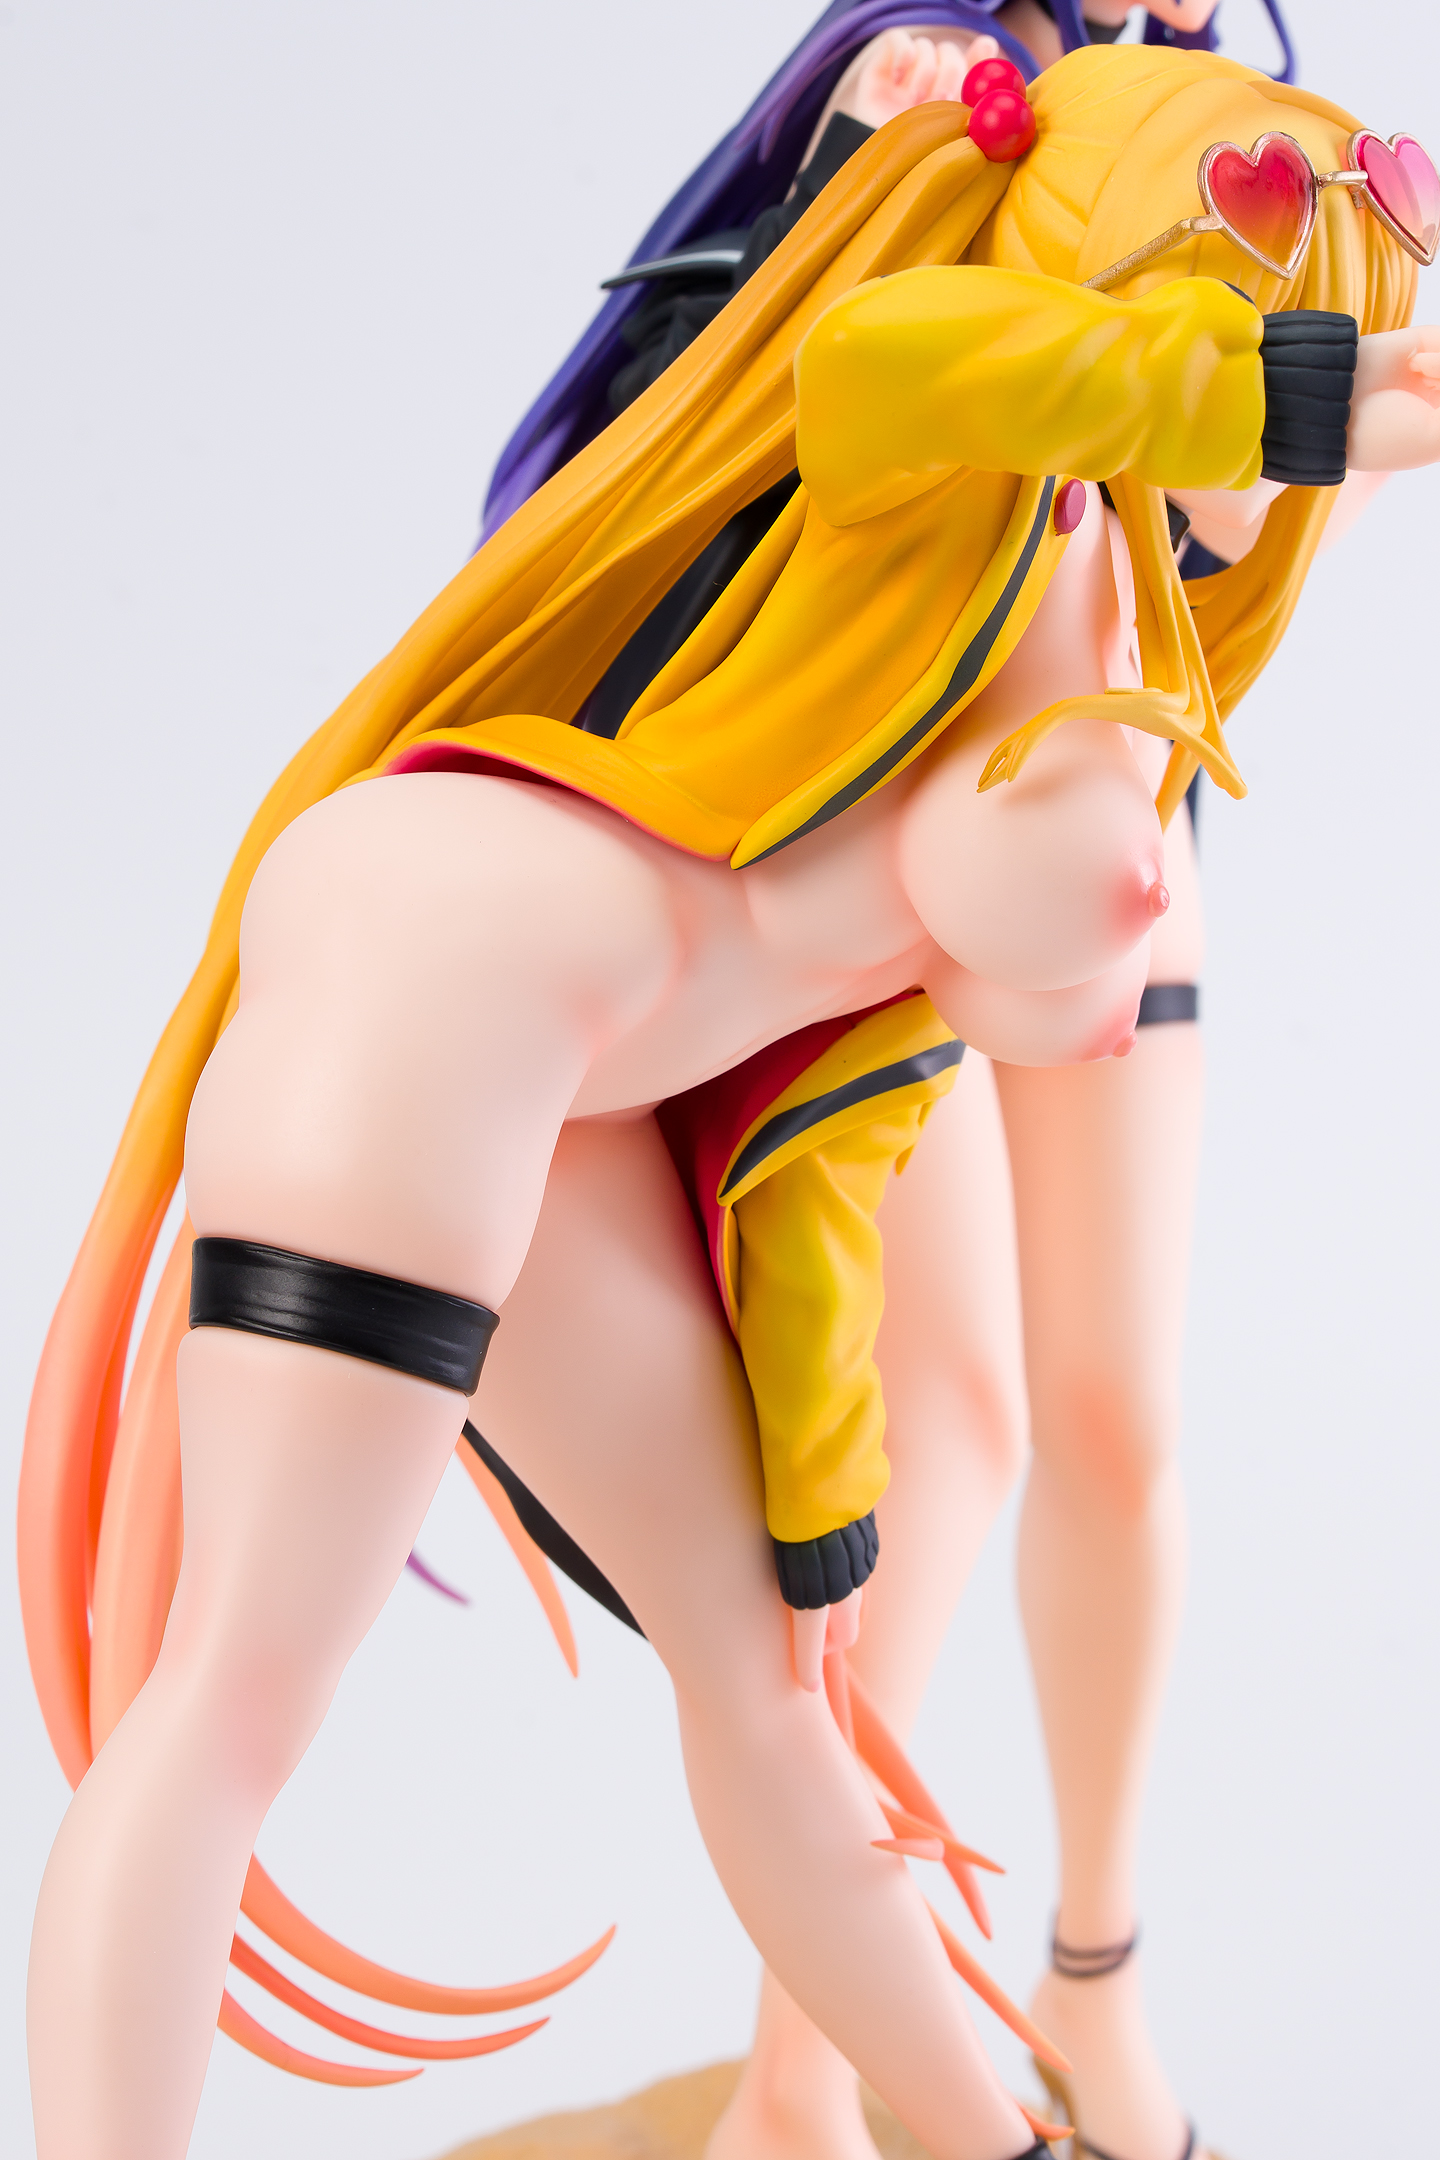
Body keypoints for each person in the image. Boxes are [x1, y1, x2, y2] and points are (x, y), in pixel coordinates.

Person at [21, 42, 1438, 2160]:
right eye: (1267, 315)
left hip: (596, 1096)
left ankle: (965, 2132)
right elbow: (907, 351)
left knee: (780, 1693)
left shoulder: (1097, 579)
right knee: (231, 1703)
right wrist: (1279, 389)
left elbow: (826, 1175)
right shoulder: (931, 445)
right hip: (457, 987)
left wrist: (822, 1503)